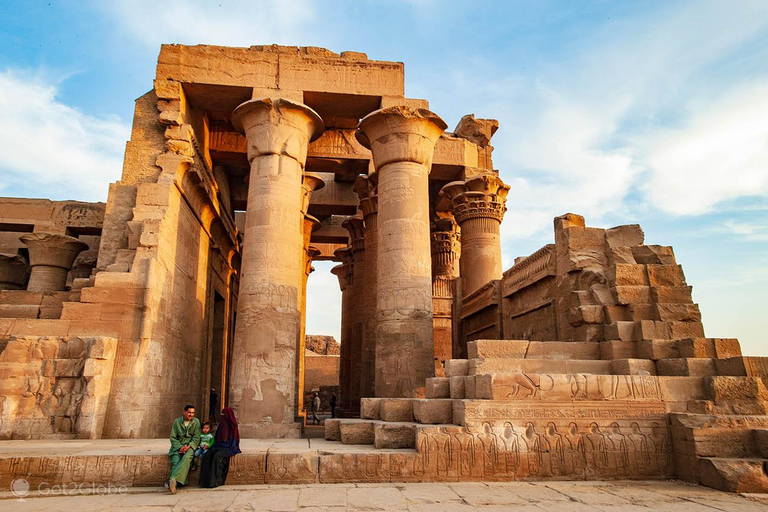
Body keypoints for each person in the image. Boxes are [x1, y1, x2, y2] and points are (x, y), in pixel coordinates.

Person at [199, 407, 241, 488]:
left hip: (229, 447)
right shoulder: (221, 426)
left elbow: (234, 442)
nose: (222, 416)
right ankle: (204, 482)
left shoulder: (233, 427)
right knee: (207, 455)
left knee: (217, 456)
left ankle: (216, 481)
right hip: (218, 446)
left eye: (223, 414)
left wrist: (225, 447)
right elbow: (217, 440)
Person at [167, 404, 201, 494]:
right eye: (189, 412)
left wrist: (188, 446)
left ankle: (172, 480)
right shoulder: (177, 422)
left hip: (190, 446)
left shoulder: (196, 422)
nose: (191, 415)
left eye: (193, 413)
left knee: (186, 458)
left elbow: (196, 437)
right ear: (184, 412)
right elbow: (173, 437)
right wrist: (180, 447)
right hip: (178, 446)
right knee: (175, 460)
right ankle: (175, 483)